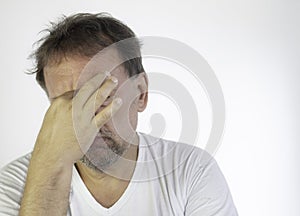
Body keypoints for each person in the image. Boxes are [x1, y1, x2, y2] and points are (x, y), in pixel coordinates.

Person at [0, 13, 238, 216]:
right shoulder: (13, 185)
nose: (88, 121)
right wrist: (50, 163)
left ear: (141, 93)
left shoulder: (192, 171)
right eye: (69, 104)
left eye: (102, 95)